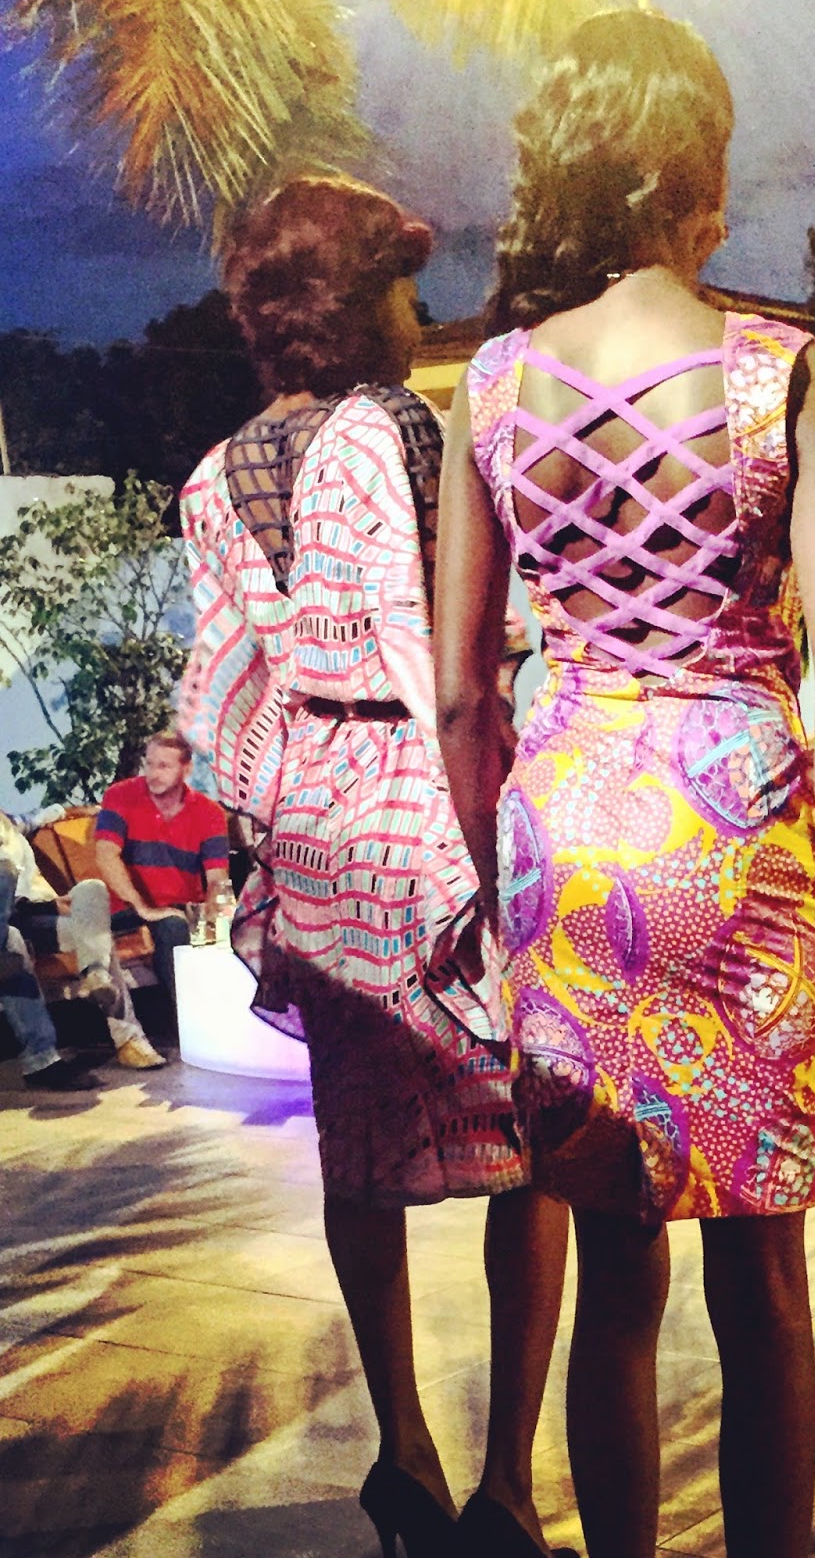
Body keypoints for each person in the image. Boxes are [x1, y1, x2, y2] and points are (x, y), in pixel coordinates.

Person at [435, 11, 815, 1558]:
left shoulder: (493, 387)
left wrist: (503, 881)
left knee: (614, 1275)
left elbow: (461, 691)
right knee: (765, 1278)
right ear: (701, 174)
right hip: (742, 833)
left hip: (570, 839)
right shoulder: (784, 374)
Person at [178, 175, 571, 1558]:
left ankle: (402, 1445)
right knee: (530, 1143)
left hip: (311, 824)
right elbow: (456, 644)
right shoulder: (396, 427)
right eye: (402, 283)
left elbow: (230, 690)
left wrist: (277, 829)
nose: (417, 309)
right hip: (430, 798)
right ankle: (507, 1483)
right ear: (351, 299)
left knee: (356, 1150)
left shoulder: (214, 479)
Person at [1, 807, 165, 1087]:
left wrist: (86, 809)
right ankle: (41, 1061)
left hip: (42, 917)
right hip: (10, 921)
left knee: (92, 897)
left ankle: (97, 978)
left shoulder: (11, 822)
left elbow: (46, 814)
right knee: (11, 937)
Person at [94, 732, 230, 1008]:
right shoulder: (120, 795)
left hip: (184, 909)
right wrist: (144, 909)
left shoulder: (210, 813)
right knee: (173, 927)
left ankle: (228, 1019)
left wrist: (216, 927)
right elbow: (106, 855)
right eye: (149, 764)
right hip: (129, 908)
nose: (153, 774)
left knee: (232, 931)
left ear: (186, 769)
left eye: (164, 766)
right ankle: (191, 1021)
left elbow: (218, 879)